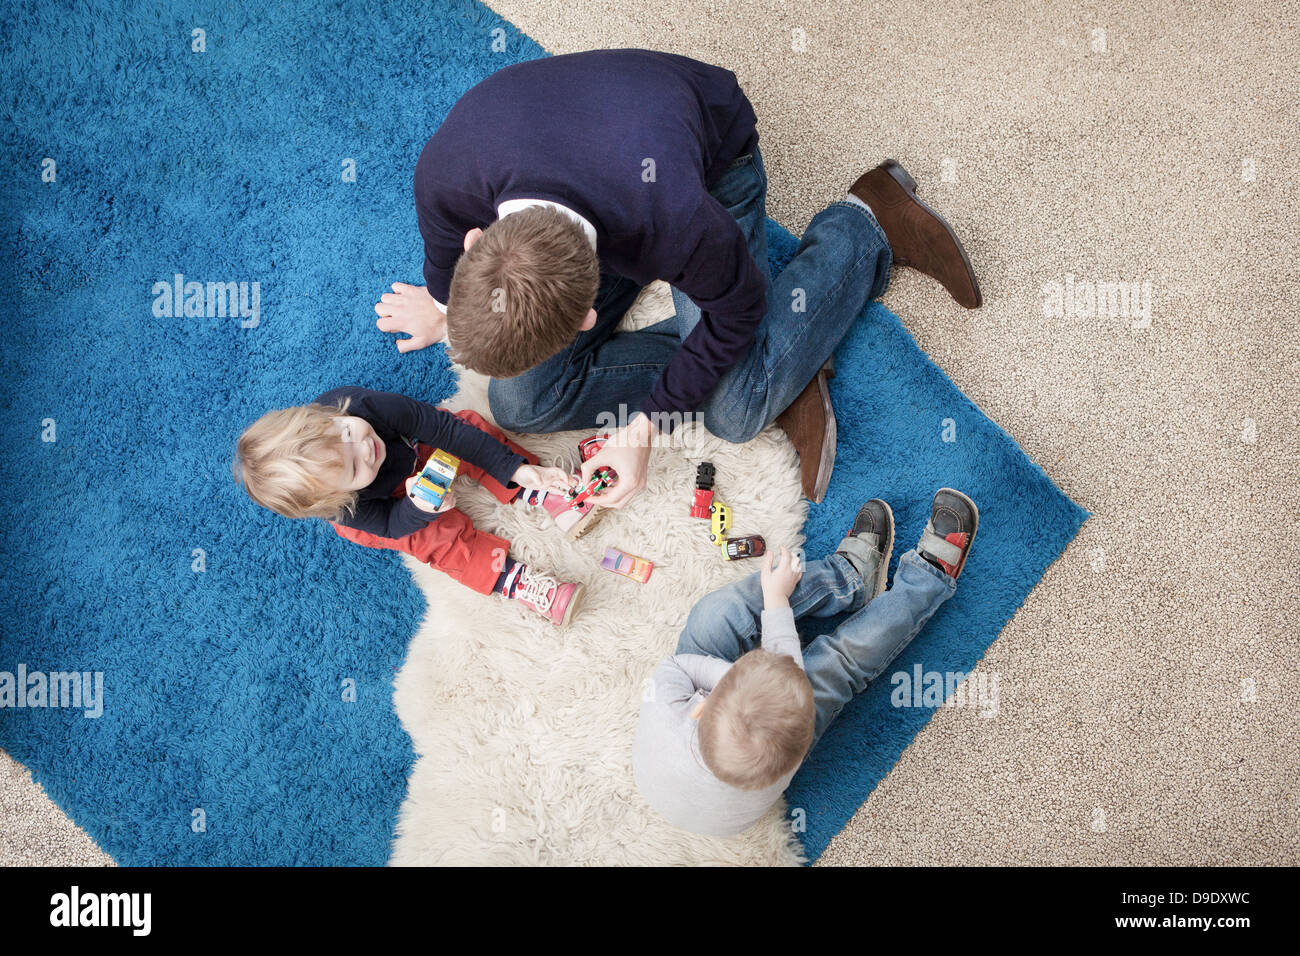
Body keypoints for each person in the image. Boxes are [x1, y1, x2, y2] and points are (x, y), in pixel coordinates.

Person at [374, 49, 982, 504]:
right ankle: (782, 355)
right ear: (476, 240)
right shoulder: (445, 178)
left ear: (586, 315)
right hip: (607, 159)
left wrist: (642, 431)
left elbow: (736, 311)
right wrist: (444, 307)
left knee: (737, 411)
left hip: (714, 162)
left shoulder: (681, 223)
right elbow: (445, 262)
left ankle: (869, 223)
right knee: (520, 400)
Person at [632, 489, 978, 836]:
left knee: (714, 615)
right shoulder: (778, 759)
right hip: (727, 758)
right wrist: (774, 603)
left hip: (700, 726)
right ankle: (925, 580)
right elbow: (784, 668)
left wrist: (769, 616)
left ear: (700, 706)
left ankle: (849, 577)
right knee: (839, 665)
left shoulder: (664, 696)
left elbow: (680, 665)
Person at [232, 387, 590, 625]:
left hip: (415, 450)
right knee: (433, 540)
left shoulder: (360, 407)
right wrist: (420, 509)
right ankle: (509, 579)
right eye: (354, 467)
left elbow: (439, 427)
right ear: (337, 497)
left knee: (468, 428)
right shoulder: (345, 509)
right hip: (391, 507)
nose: (364, 448)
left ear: (330, 416)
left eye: (346, 434)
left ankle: (536, 488)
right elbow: (392, 526)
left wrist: (515, 469)